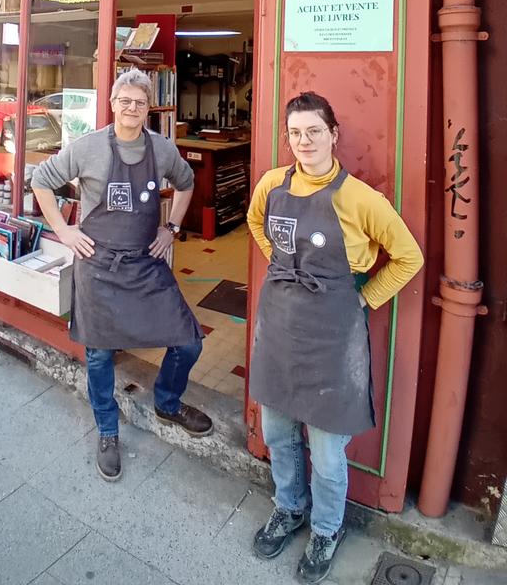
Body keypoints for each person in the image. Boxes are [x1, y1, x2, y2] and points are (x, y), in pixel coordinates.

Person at [247, 91, 424, 584]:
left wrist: (365, 298)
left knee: (327, 453)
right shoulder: (271, 184)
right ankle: (289, 507)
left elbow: (408, 257)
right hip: (279, 325)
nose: (304, 141)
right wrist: (280, 262)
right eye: (295, 133)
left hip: (332, 336)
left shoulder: (362, 199)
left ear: (333, 135)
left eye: (314, 132)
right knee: (277, 433)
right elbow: (256, 223)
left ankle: (326, 529)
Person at [31, 68, 212, 482]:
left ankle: (167, 402)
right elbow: (41, 180)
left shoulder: (162, 149)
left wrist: (171, 228)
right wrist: (64, 231)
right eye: (125, 100)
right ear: (112, 103)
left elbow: (186, 183)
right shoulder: (89, 147)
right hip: (98, 266)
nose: (132, 108)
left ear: (149, 108)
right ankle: (107, 431)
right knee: (99, 354)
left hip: (145, 263)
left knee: (188, 341)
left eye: (140, 102)